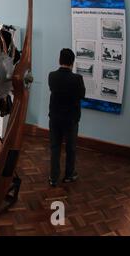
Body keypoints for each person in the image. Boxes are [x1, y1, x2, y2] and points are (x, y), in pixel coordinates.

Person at [48, 49, 86, 187]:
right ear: (72, 62)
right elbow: (82, 95)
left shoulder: (51, 76)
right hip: (71, 119)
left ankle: (53, 177)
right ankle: (69, 175)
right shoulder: (77, 78)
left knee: (55, 147)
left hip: (55, 118)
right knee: (71, 148)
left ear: (60, 60)